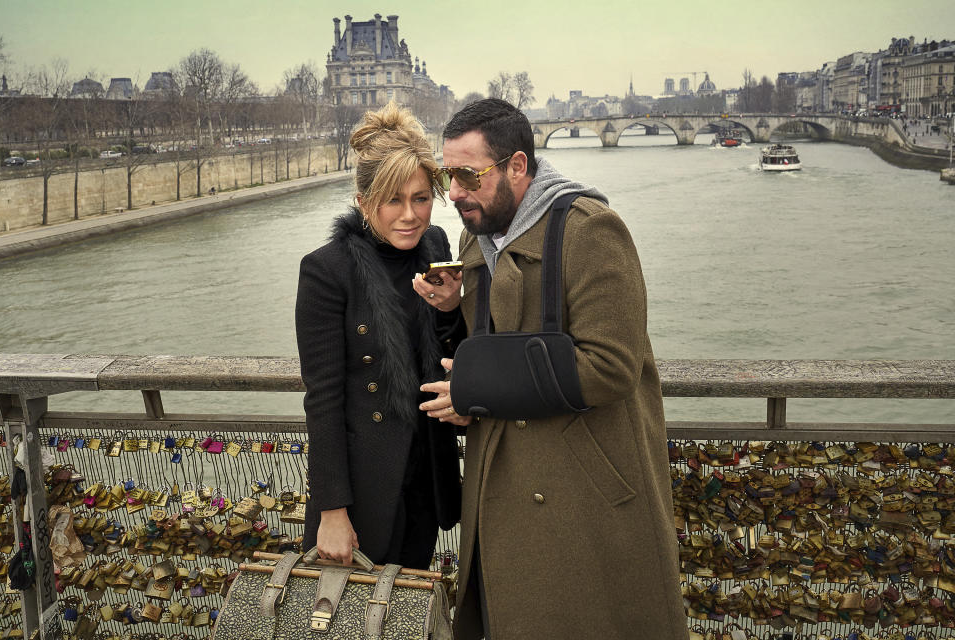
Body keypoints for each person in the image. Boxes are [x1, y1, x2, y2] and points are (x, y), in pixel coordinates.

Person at [418, 99, 689, 639]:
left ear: (518, 166)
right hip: (503, 476)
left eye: (469, 175)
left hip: (581, 488)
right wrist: (454, 312)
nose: (456, 192)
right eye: (449, 175)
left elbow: (611, 366)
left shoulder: (592, 230)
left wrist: (476, 386)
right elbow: (497, 342)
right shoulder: (480, 232)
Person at [295, 101, 463, 569]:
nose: (410, 215)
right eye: (393, 200)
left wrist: (451, 309)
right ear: (364, 202)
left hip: (424, 475)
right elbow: (323, 398)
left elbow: (452, 352)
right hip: (362, 491)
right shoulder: (327, 271)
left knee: (405, 613)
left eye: (421, 198)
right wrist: (331, 510)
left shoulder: (437, 246)